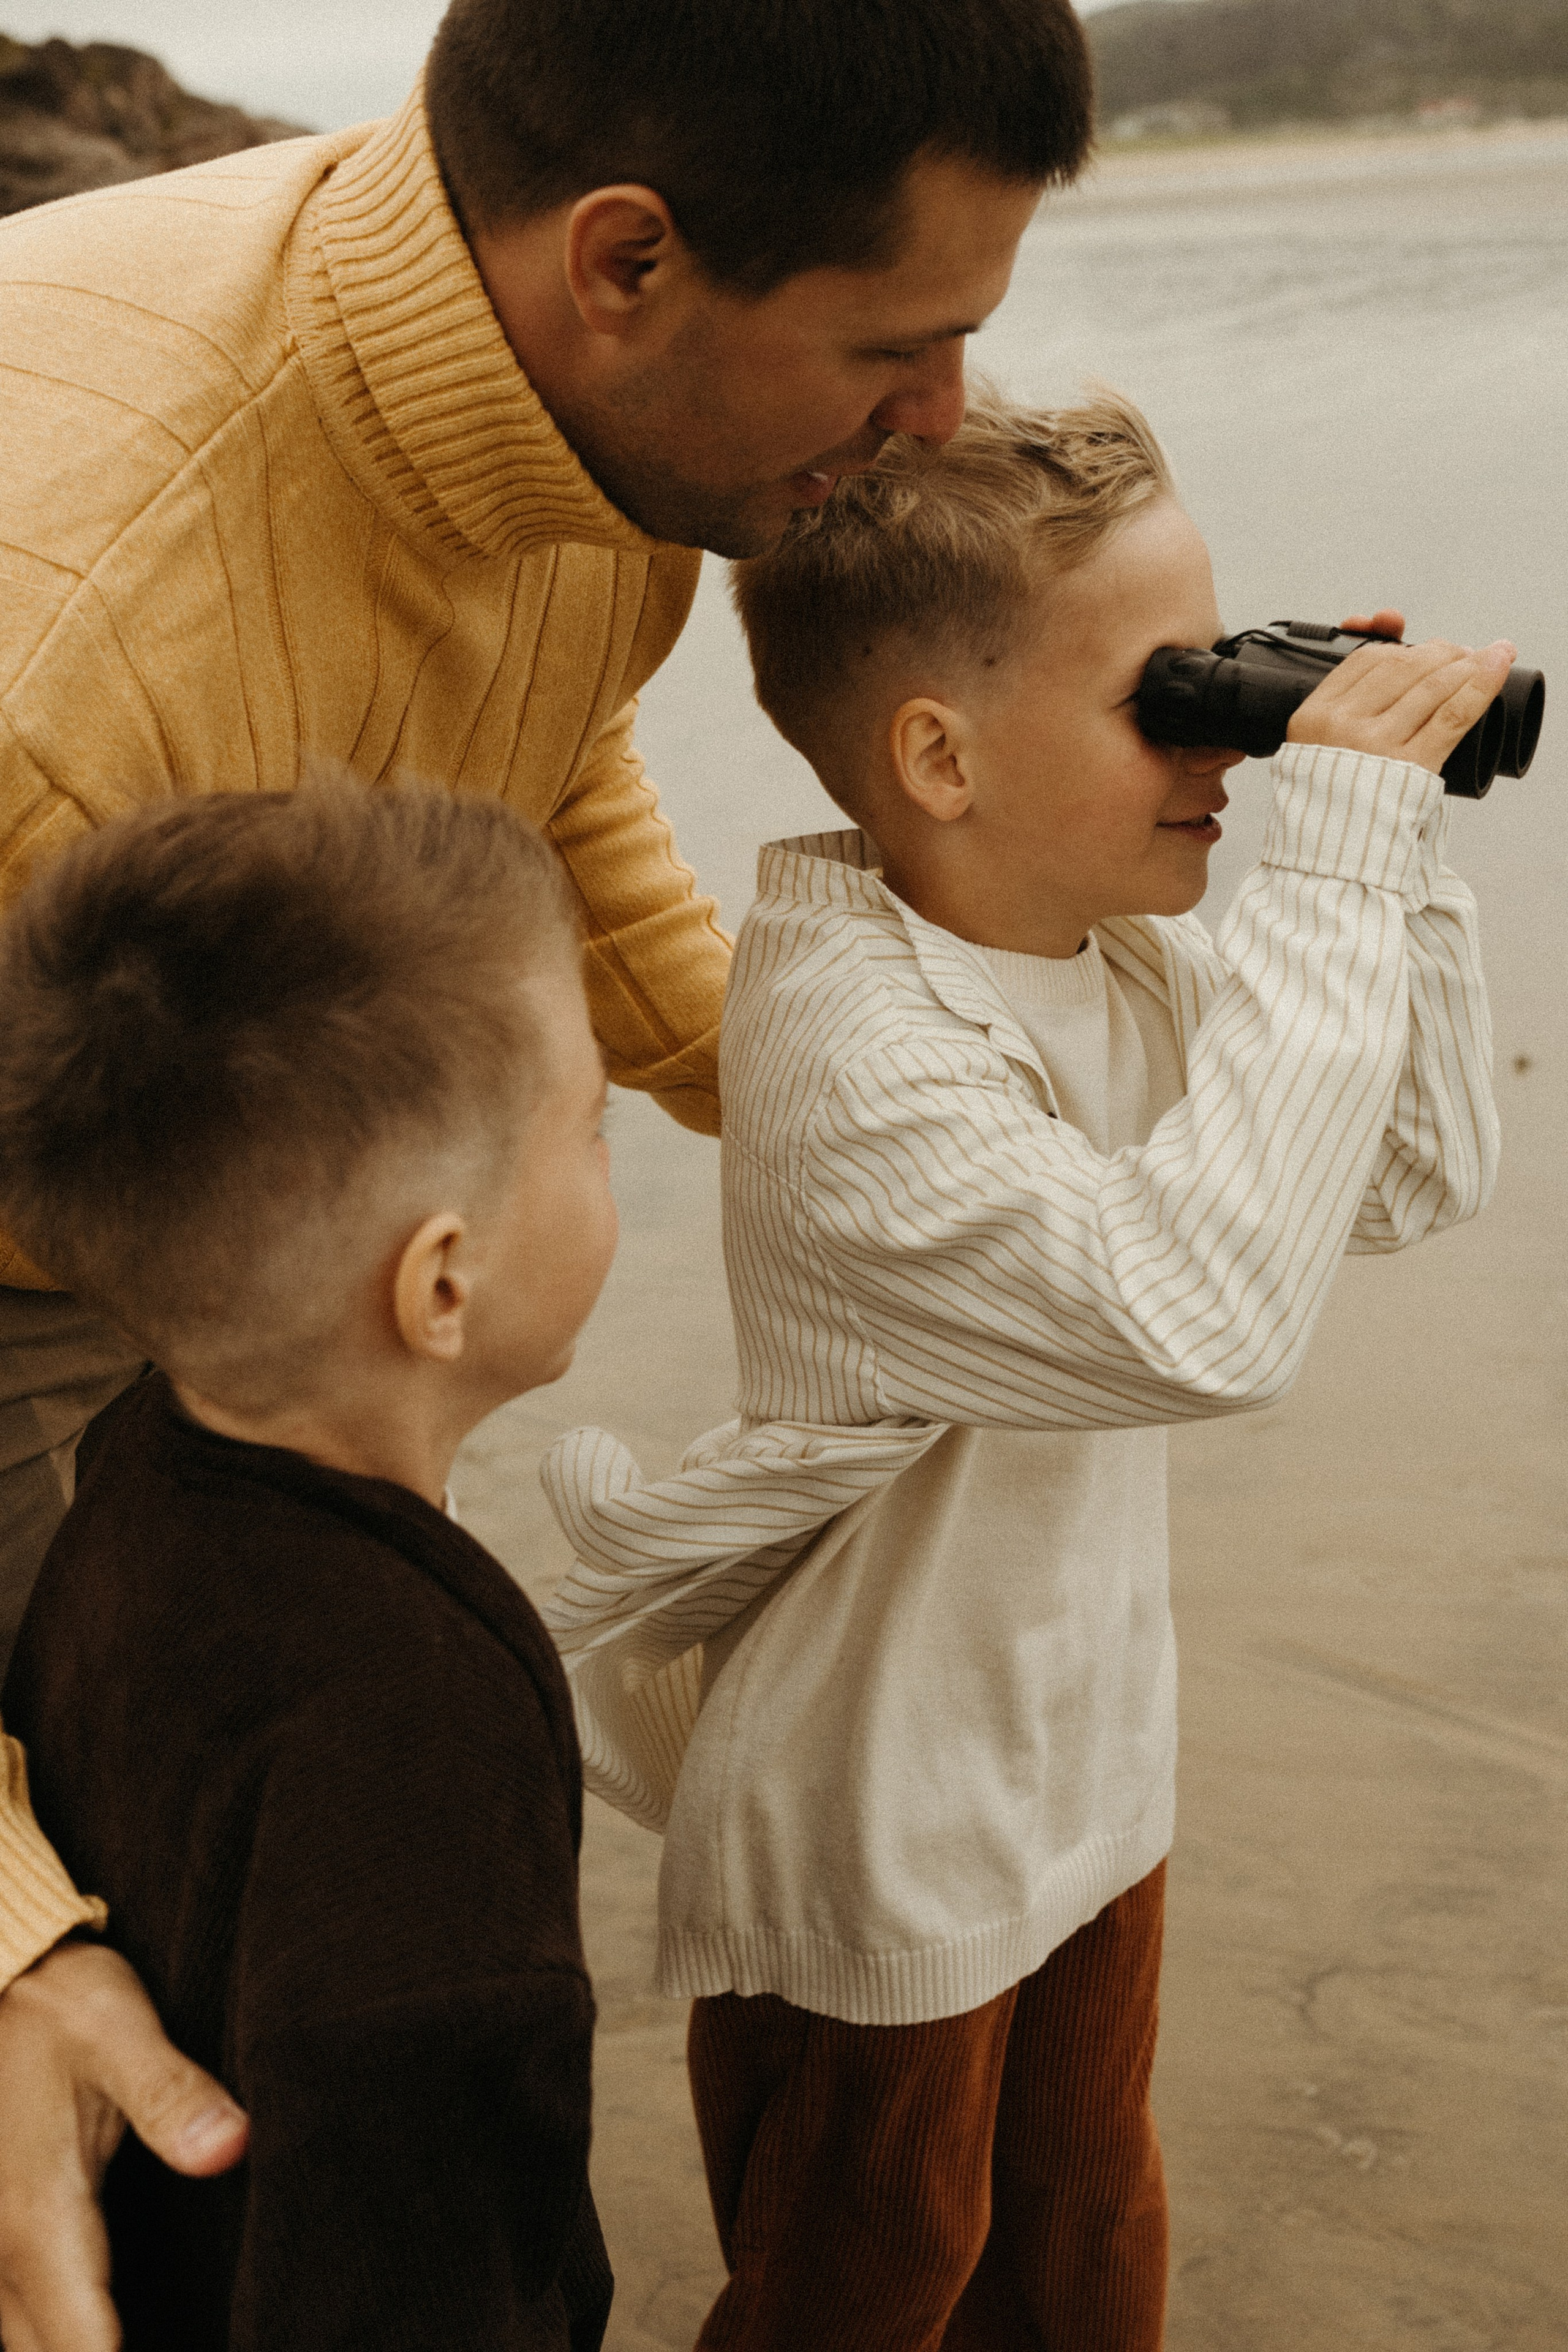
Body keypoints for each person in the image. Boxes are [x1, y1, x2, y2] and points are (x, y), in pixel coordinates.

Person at [0, 1, 1094, 2337]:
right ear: (625, 258)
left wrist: (787, 1082)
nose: (949, 427)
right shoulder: (69, 646)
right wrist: (3, 1930)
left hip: (151, 1144)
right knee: (93, 2020)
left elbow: (544, 735)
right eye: (902, 351)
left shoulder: (598, 426)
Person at [538, 392, 1504, 2348]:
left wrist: (1387, 850)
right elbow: (1198, 1319)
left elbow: (1407, 1176)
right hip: (882, 1810)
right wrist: (1323, 857)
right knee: (873, 2274)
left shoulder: (1098, 947)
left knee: (1082, 2246)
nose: (1228, 738)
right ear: (938, 755)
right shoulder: (851, 1046)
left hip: (1079, 1751)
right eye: (1180, 693)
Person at [0, 780, 624, 2348]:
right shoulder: (421, 1728)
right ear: (442, 1283)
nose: (607, 1162)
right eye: (593, 1128)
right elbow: (416, 2266)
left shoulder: (141, 1469)